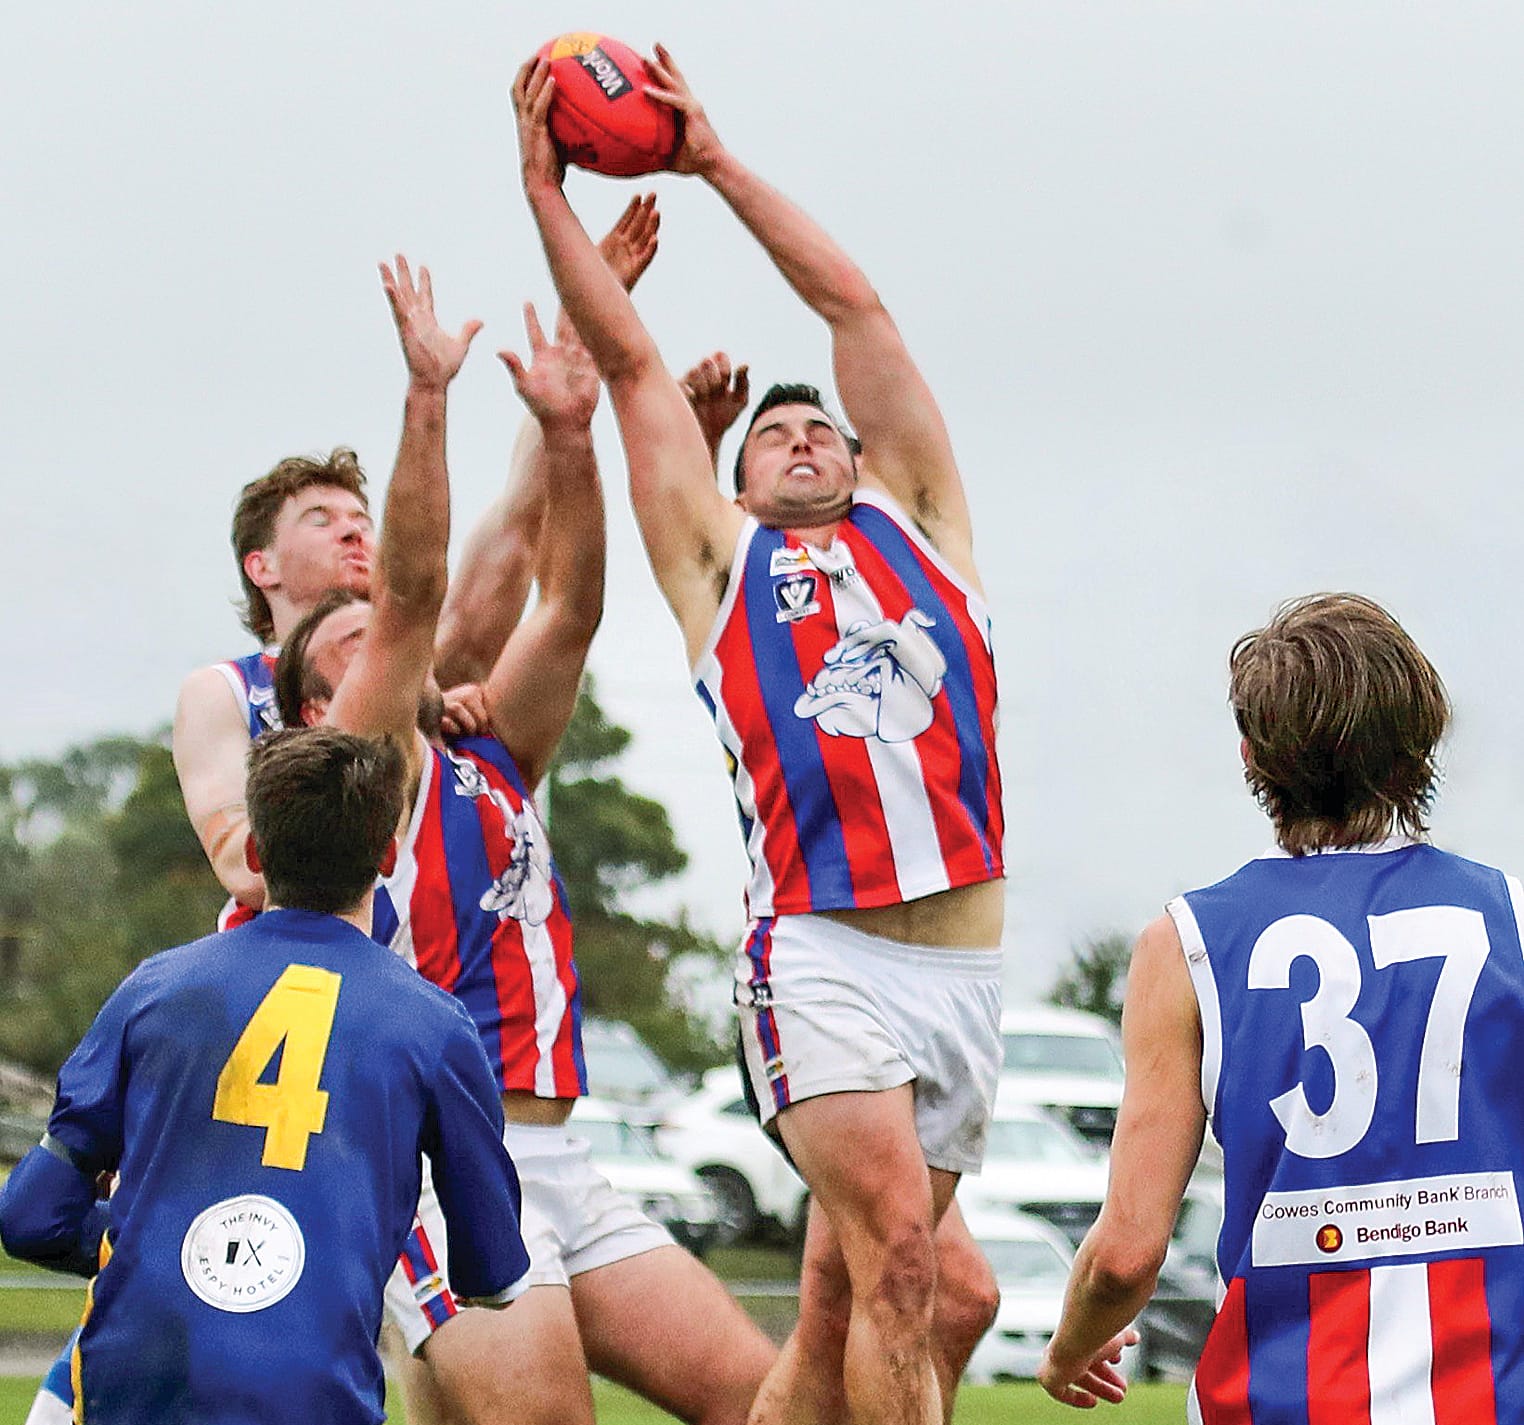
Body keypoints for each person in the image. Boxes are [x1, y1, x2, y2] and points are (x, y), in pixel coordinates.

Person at [513, 50, 1006, 1425]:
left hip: (964, 967)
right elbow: (626, 362)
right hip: (819, 955)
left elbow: (854, 303)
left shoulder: (928, 531)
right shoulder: (719, 571)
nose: (800, 437)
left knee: (858, 1297)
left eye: (821, 429)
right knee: (906, 1256)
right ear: (730, 486)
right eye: (772, 433)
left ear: (863, 460)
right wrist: (542, 189)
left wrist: (715, 160)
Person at [274, 271, 774, 1425]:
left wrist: (568, 432)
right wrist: (428, 396)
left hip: (558, 1152)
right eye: (349, 649)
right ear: (319, 708)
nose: (384, 649)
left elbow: (571, 606)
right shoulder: (361, 773)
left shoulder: (490, 755)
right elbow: (408, 593)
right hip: (436, 1165)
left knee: (764, 1400)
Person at [1038, 593, 1524, 1421]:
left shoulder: (1183, 945)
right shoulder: (1508, 915)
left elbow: (1124, 1257)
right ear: (1421, 740)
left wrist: (1068, 1350)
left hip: (1271, 1402)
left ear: (1251, 754)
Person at [0, 726, 530, 1425]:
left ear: (255, 853)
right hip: (313, 1394)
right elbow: (492, 1275)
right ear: (389, 855)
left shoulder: (154, 988)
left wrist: (162, 1232)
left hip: (138, 1380)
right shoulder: (435, 1026)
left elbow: (31, 1217)